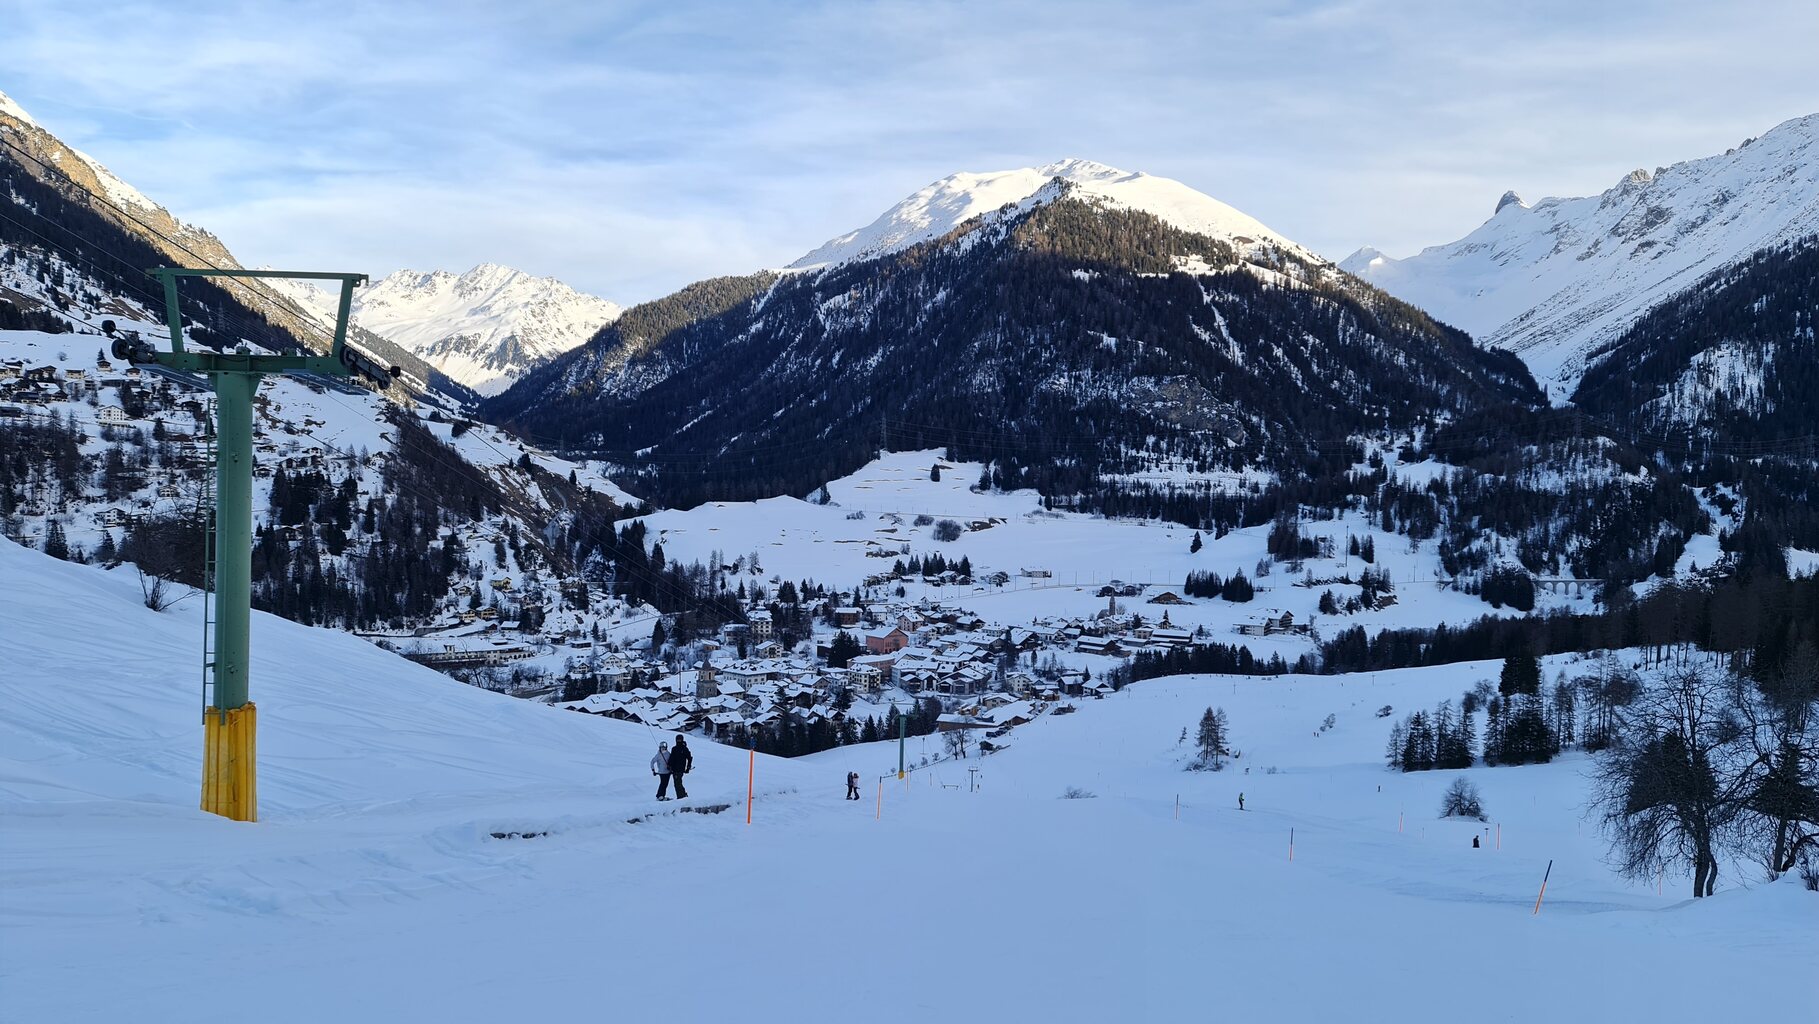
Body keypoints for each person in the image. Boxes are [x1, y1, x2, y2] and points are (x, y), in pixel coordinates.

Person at [668, 735, 693, 799]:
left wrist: (688, 767)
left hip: (681, 769)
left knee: (677, 783)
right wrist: (669, 765)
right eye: (677, 740)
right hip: (674, 769)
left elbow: (689, 758)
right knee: (678, 783)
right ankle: (683, 795)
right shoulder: (674, 748)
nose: (678, 741)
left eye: (680, 740)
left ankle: (680, 797)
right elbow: (671, 758)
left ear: (682, 740)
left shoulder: (684, 749)